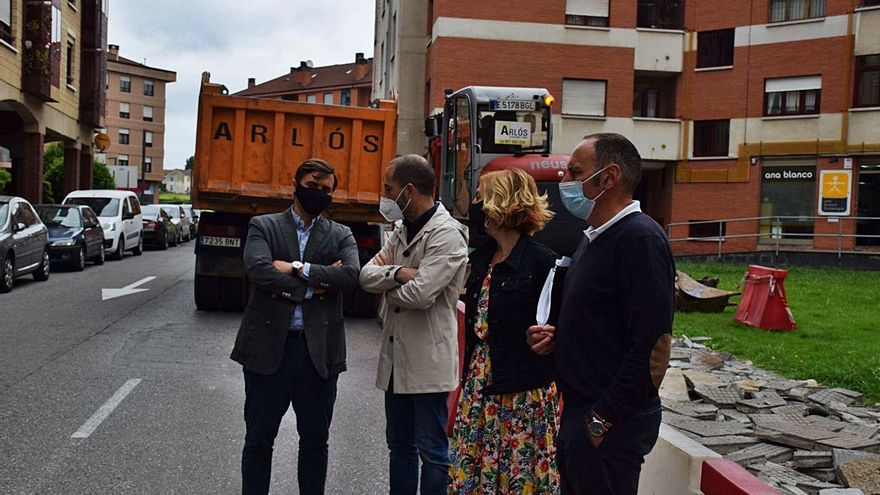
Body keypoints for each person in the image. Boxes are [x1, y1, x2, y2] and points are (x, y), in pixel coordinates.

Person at [527, 134, 675, 495]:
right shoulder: (593, 237)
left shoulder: (640, 240)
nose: (564, 183)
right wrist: (558, 339)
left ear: (609, 178)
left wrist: (600, 420)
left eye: (574, 172)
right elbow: (604, 323)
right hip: (583, 415)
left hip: (608, 423)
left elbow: (651, 346)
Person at [231, 158, 361, 495]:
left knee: (316, 442)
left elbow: (349, 275)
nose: (318, 193)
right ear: (296, 183)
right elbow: (258, 270)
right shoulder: (264, 226)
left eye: (326, 189)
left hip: (317, 354)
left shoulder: (340, 233)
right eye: (313, 185)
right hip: (268, 350)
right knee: (258, 440)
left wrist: (297, 268)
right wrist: (313, 286)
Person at [359, 154, 468, 495]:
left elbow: (421, 295)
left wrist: (387, 287)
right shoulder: (401, 229)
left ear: (408, 190)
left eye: (388, 189)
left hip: (427, 364)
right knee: (399, 446)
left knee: (432, 451)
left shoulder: (447, 235)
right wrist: (398, 274)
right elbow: (365, 275)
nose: (385, 196)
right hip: (396, 360)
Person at [449, 168, 560, 495]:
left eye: (482, 197)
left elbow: (559, 324)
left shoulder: (541, 262)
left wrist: (553, 338)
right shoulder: (483, 259)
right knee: (473, 474)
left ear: (504, 203)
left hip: (521, 390)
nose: (477, 205)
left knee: (517, 476)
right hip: (479, 383)